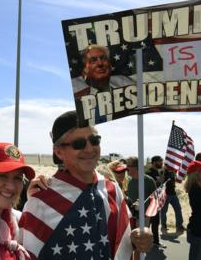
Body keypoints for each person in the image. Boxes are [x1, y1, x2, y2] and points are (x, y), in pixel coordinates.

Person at [19, 111, 152, 259]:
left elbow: (124, 243)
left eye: (95, 140)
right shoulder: (40, 202)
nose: (89, 149)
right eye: (79, 144)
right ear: (59, 152)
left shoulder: (112, 190)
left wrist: (138, 238)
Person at [126, 156, 163, 252]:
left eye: (128, 166)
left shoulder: (148, 180)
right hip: (130, 217)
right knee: (130, 243)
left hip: (143, 217)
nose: (126, 168)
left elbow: (156, 199)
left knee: (140, 244)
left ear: (135, 167)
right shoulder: (130, 182)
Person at [146, 155, 165, 248]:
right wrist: (158, 182)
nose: (162, 163)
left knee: (156, 223)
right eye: (160, 161)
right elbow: (150, 188)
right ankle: (144, 241)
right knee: (148, 223)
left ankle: (156, 241)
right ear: (154, 162)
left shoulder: (159, 172)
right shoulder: (149, 173)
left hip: (157, 201)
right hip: (150, 203)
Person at [160, 164, 185, 233]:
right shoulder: (163, 172)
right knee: (164, 211)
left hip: (173, 194)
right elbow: (161, 182)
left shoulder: (173, 172)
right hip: (165, 194)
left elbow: (175, 181)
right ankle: (163, 225)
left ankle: (179, 225)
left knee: (178, 209)